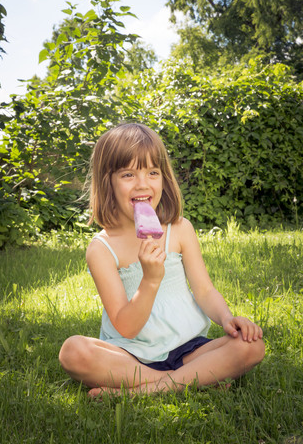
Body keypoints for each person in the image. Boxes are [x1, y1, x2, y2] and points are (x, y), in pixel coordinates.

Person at [59, 122, 265, 397]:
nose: (143, 184)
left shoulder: (180, 229)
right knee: (73, 351)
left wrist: (227, 319)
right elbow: (126, 327)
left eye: (152, 172)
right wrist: (151, 280)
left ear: (164, 178)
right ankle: (189, 380)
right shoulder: (101, 248)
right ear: (107, 182)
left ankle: (143, 390)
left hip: (188, 348)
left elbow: (204, 290)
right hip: (129, 356)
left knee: (252, 345)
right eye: (128, 174)